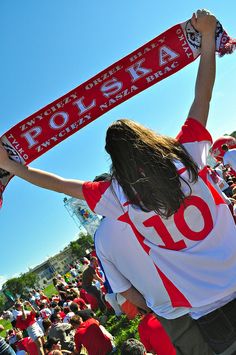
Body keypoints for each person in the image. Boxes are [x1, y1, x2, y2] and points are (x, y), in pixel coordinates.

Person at [1, 9, 236, 354]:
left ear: (115, 160)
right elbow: (204, 95)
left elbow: (58, 183)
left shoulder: (117, 195)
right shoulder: (186, 151)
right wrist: (206, 37)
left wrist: (13, 167)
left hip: (205, 308)